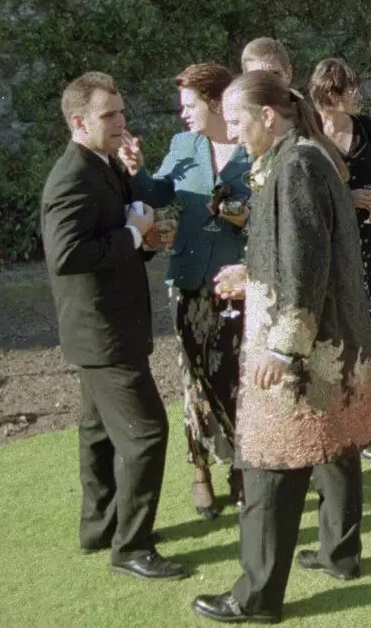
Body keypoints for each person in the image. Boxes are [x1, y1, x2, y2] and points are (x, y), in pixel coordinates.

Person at [191, 72, 371, 626]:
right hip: (334, 339)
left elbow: (304, 269)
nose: (230, 133)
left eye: (236, 122)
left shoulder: (296, 165)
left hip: (304, 345)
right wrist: (252, 274)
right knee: (336, 444)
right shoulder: (309, 154)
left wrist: (282, 351)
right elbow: (303, 252)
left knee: (270, 462)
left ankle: (256, 597)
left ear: (269, 116)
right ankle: (339, 554)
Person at [41, 72, 184, 581]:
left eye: (122, 112)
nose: (122, 123)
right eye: (110, 116)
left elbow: (115, 229)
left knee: (98, 431)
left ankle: (99, 526)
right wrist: (131, 232)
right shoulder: (71, 178)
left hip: (109, 325)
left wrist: (144, 237)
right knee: (146, 434)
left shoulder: (102, 165)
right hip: (102, 331)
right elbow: (66, 255)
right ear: (79, 122)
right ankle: (132, 546)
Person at [118, 63, 252, 520]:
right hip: (190, 279)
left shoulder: (250, 146)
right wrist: (136, 171)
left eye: (189, 105)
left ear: (215, 102)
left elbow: (261, 210)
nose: (183, 114)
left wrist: (237, 212)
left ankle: (241, 466)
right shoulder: (183, 145)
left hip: (236, 280)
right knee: (193, 379)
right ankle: (199, 472)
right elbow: (156, 193)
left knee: (237, 378)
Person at [311, 58, 371, 463]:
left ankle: (370, 414)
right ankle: (348, 422)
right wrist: (347, 200)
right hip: (334, 249)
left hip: (370, 242)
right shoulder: (310, 135)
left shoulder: (367, 128)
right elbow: (311, 194)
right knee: (344, 329)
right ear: (329, 95)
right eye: (349, 89)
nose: (358, 95)